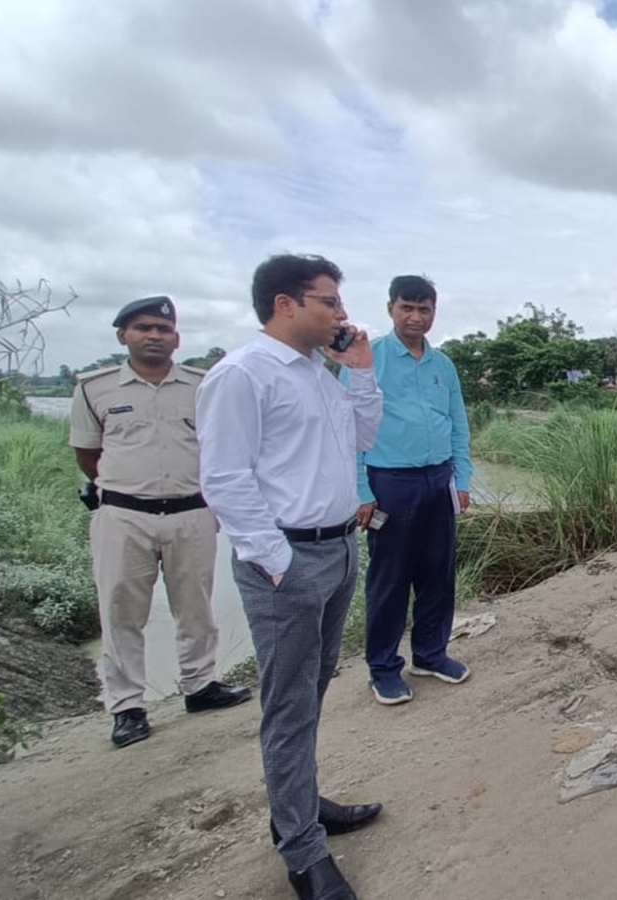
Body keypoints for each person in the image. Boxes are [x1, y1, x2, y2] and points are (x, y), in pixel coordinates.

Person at [196, 255, 385, 900]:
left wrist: (360, 372)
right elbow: (224, 478)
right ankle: (303, 853)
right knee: (288, 706)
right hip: (288, 562)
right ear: (285, 303)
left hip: (338, 551)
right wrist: (275, 560)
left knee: (311, 693)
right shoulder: (241, 376)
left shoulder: (319, 374)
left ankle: (299, 806)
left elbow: (363, 438)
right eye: (329, 302)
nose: (341, 314)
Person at [69, 296, 252, 748]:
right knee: (121, 612)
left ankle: (200, 685)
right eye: (143, 328)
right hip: (125, 515)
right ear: (123, 336)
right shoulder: (96, 388)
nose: (154, 335)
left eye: (163, 329)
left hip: (191, 510)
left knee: (196, 606)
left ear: (177, 338)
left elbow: (219, 446)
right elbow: (88, 454)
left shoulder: (201, 384)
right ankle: (128, 706)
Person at [348, 275, 474, 706]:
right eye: (407, 308)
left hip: (438, 479)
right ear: (390, 309)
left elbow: (458, 422)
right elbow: (350, 431)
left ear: (434, 313)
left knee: (438, 573)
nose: (416, 317)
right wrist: (362, 489)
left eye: (424, 310)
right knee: (389, 579)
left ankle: (431, 654)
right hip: (389, 483)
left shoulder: (443, 365)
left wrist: (463, 479)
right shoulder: (369, 359)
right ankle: (383, 668)